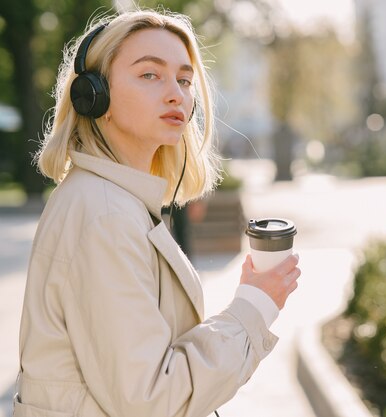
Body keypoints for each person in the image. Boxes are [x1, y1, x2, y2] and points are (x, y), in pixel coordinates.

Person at [14, 8, 301, 417]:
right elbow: (151, 399)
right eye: (150, 74)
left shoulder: (114, 200)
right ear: (94, 96)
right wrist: (252, 308)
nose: (177, 94)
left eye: (184, 80)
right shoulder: (104, 213)